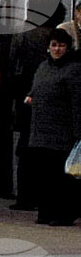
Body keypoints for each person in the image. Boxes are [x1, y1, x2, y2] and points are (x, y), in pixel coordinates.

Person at [6, 0, 66, 209]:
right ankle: (44, 195)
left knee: (25, 148)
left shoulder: (23, 33)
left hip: (25, 97)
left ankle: (25, 195)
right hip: (51, 99)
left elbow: (13, 67)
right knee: (48, 151)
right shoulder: (57, 35)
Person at [23, 28, 81, 227]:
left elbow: (77, 102)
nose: (57, 49)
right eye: (54, 45)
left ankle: (64, 213)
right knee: (44, 174)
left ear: (68, 47)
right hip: (40, 129)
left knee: (61, 177)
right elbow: (36, 86)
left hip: (62, 132)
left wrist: (78, 132)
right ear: (48, 47)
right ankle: (46, 210)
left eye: (61, 45)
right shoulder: (43, 67)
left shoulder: (73, 69)